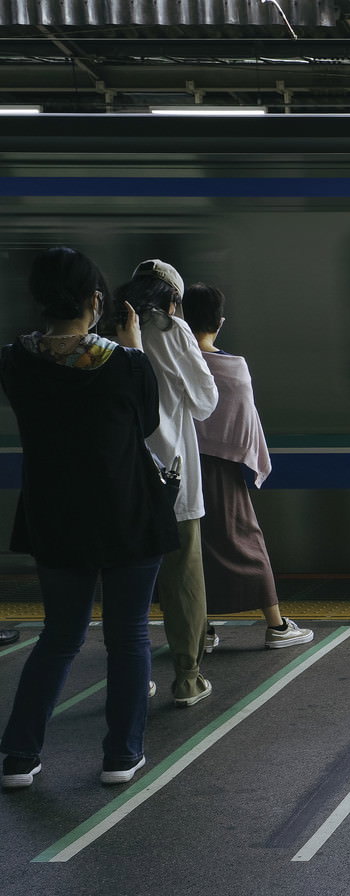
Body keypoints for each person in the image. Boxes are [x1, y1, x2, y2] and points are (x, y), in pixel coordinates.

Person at [0, 247, 178, 789]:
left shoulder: (12, 361)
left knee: (59, 636)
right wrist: (132, 347)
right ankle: (121, 755)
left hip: (55, 517)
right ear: (96, 300)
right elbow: (146, 422)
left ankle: (19, 757)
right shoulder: (124, 364)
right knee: (128, 639)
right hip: (126, 516)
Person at [187, 284, 313, 652]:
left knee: (195, 547)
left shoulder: (171, 366)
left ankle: (202, 628)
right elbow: (245, 422)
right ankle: (276, 626)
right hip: (221, 471)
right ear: (220, 322)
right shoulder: (232, 367)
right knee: (245, 542)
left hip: (177, 469)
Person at [116, 259, 218, 707]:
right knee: (183, 582)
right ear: (173, 299)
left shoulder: (107, 327)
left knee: (126, 584)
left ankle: (134, 677)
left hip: (122, 477)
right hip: (173, 479)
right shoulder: (174, 332)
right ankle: (188, 679)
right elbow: (205, 402)